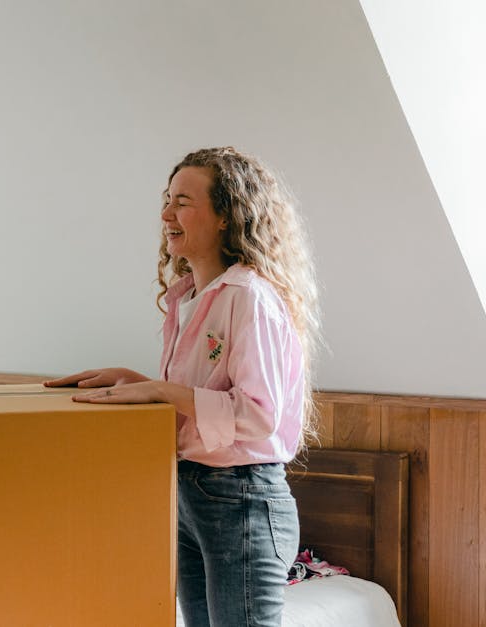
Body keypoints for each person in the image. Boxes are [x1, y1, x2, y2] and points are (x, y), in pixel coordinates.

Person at [45, 146, 319, 626]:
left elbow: (258, 415)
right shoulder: (187, 298)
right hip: (191, 493)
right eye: (167, 200)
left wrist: (163, 392)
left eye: (183, 202)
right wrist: (140, 383)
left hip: (242, 498)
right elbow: (200, 397)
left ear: (225, 218)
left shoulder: (249, 298)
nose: (166, 214)